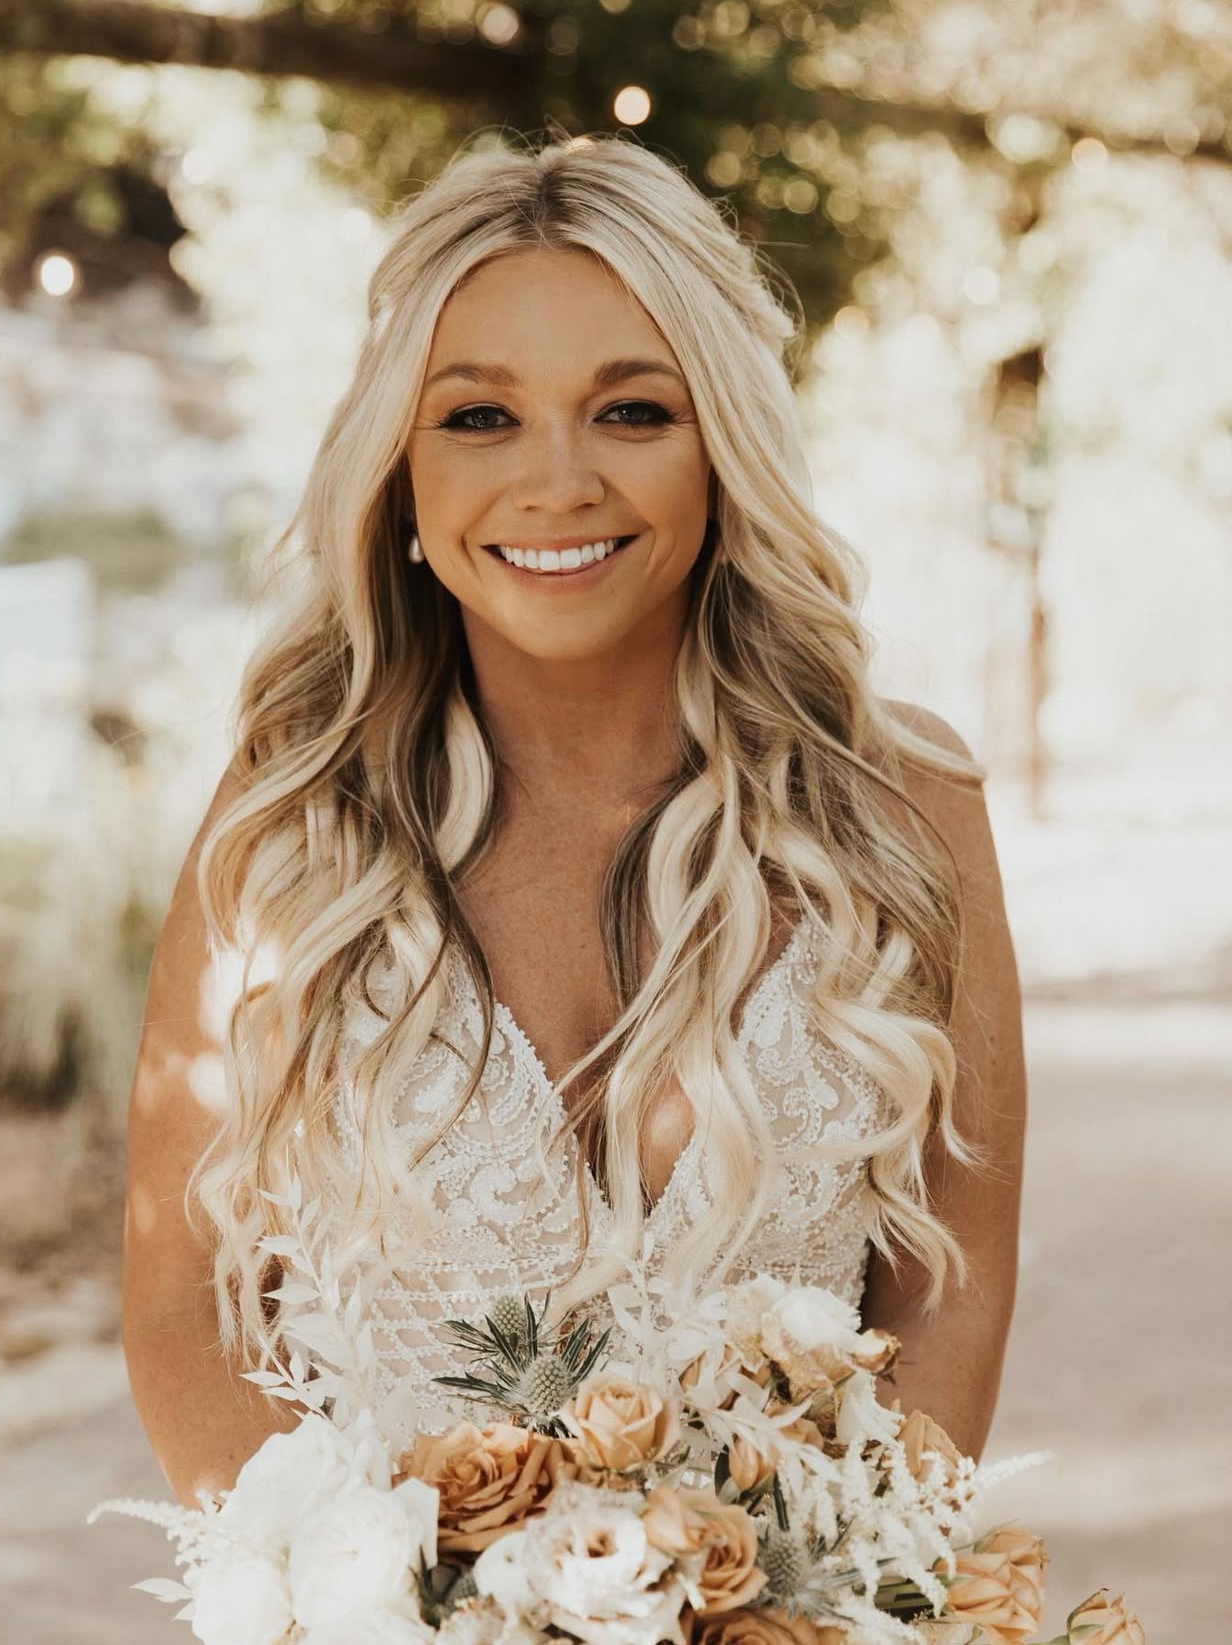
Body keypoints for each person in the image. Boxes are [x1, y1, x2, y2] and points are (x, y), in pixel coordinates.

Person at [121, 132, 1026, 1512]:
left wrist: (823, 1596)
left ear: (723, 451)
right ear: (401, 471)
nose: (557, 483)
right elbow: (186, 1315)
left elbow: (949, 1302)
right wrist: (379, 1596)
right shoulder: (292, 821)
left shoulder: (904, 806)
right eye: (480, 417)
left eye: (633, 411)